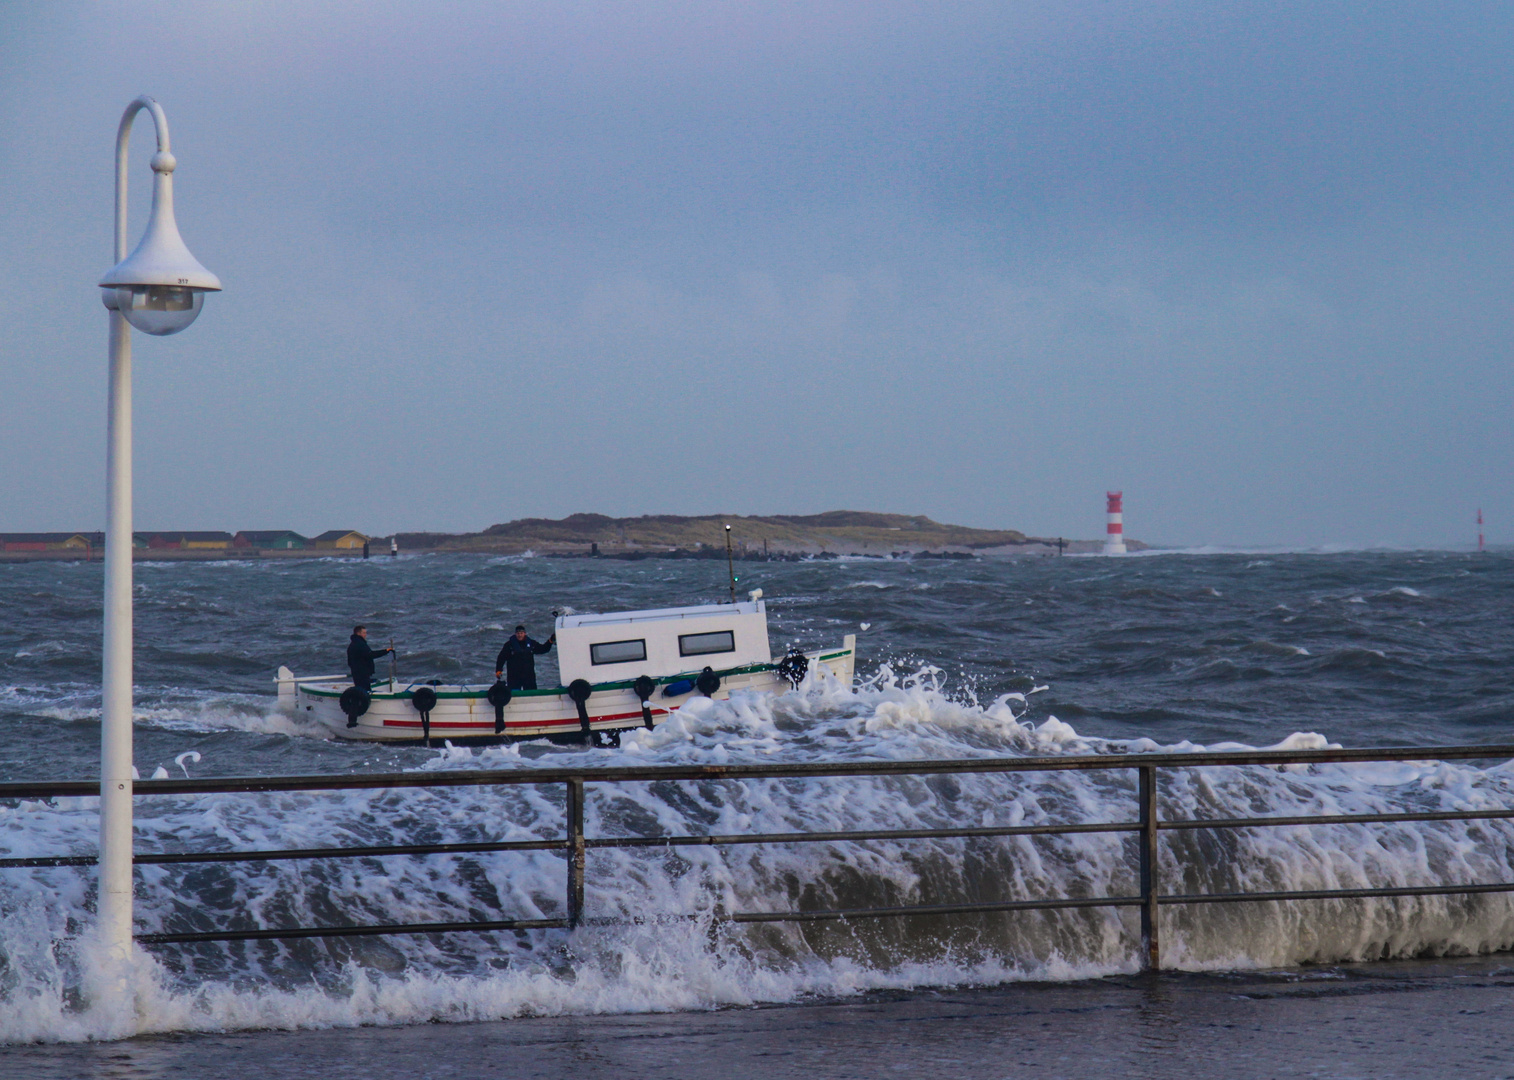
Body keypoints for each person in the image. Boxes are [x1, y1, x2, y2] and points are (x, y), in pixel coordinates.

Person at [495, 624, 555, 690]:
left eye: (521, 633)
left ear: (525, 633)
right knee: (514, 695)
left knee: (531, 695)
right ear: (515, 634)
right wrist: (498, 670)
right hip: (514, 676)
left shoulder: (531, 643)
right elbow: (501, 658)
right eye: (518, 633)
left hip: (528, 676)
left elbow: (543, 649)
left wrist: (550, 641)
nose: (520, 635)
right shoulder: (509, 645)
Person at [347, 624, 393, 689]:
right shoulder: (360, 644)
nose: (365, 635)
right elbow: (370, 655)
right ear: (358, 633)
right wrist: (385, 651)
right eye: (364, 633)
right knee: (363, 690)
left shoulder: (354, 644)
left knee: (361, 689)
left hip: (357, 672)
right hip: (362, 673)